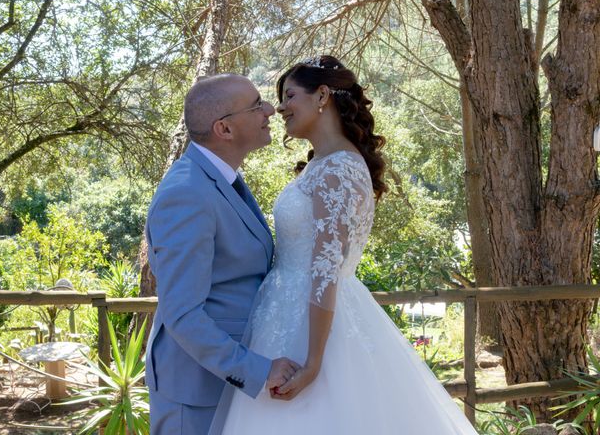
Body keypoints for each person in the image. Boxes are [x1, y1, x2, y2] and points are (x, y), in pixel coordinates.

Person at [209, 56, 478, 434]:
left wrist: (314, 362)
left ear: (322, 95)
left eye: (289, 95)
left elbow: (325, 269)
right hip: (283, 317)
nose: (281, 107)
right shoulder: (323, 164)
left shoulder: (339, 169)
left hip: (312, 325)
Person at [144, 73, 301, 435]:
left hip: (225, 386)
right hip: (195, 392)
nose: (269, 110)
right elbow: (182, 314)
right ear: (224, 129)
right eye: (256, 105)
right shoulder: (186, 192)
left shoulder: (220, 178)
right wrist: (258, 371)